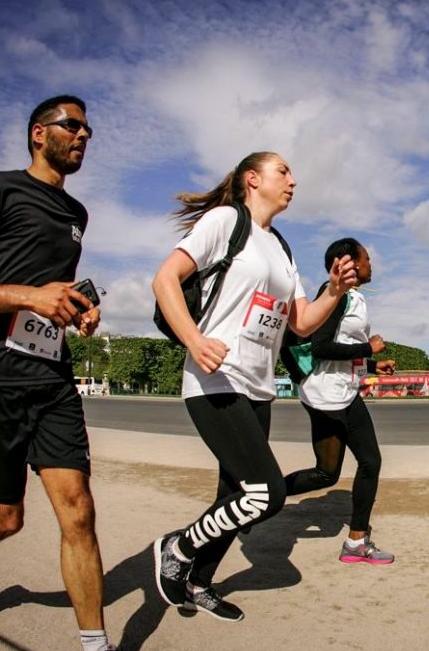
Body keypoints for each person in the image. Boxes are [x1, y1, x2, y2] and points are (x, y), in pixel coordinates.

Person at [0, 95, 124, 651]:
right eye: (74, 125)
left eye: (89, 128)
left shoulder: (78, 216)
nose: (84, 135)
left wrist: (77, 310)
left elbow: (52, 297)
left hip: (51, 381)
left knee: (79, 510)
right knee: (6, 516)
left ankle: (96, 648)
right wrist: (31, 297)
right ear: (39, 134)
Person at [150, 152, 357, 621]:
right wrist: (194, 339)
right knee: (266, 492)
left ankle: (200, 580)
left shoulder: (281, 248)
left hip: (258, 387)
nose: (293, 180)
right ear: (252, 178)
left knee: (233, 496)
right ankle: (176, 548)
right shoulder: (226, 221)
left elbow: (301, 324)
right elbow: (165, 279)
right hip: (214, 379)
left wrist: (334, 291)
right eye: (283, 171)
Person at [283, 238, 397, 564]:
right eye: (367, 257)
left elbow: (341, 346)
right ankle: (260, 498)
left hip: (343, 391)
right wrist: (368, 350)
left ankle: (356, 542)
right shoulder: (335, 295)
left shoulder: (354, 297)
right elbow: (319, 347)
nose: (371, 263)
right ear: (349, 263)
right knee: (338, 470)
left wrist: (374, 366)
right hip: (326, 396)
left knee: (344, 469)